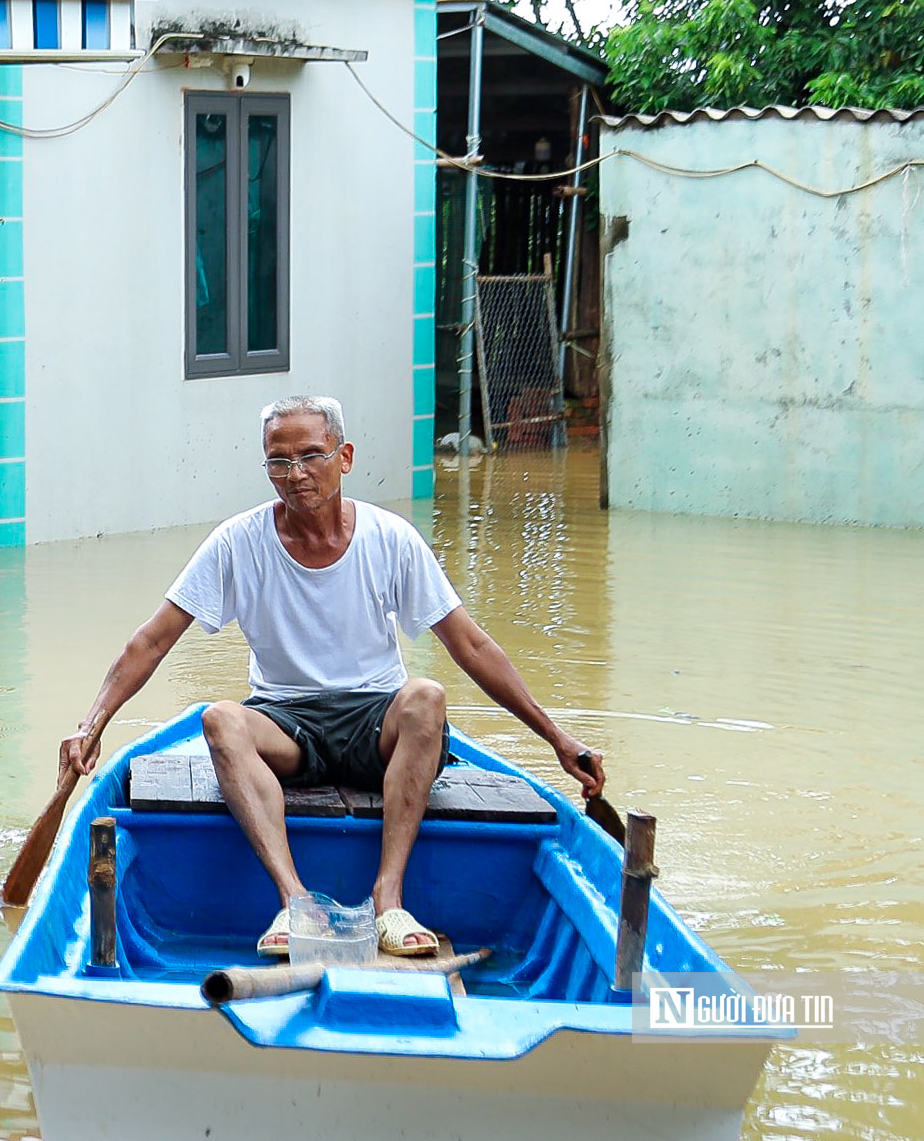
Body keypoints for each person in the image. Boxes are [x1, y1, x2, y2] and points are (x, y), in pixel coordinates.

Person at [58, 395, 605, 958]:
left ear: (343, 457)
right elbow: (151, 640)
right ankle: (295, 903)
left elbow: (470, 644)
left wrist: (556, 737)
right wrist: (92, 722)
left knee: (426, 696)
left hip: (375, 720)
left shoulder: (389, 539)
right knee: (220, 719)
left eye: (311, 457)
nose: (295, 476)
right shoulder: (237, 542)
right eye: (278, 461)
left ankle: (388, 900)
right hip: (285, 723)